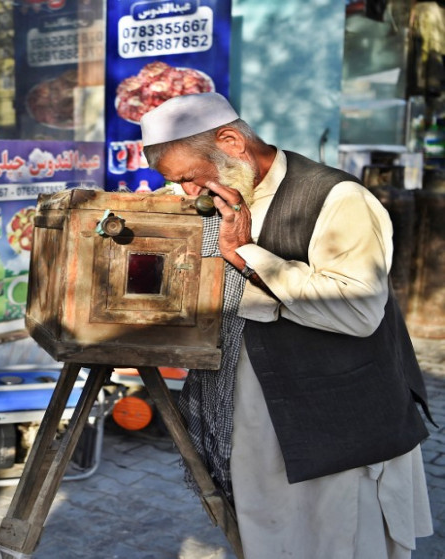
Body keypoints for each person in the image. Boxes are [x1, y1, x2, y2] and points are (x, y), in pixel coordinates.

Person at [139, 92, 434, 558]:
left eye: (190, 178)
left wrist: (249, 256)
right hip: (254, 417)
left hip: (338, 420)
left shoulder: (338, 198)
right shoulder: (212, 193)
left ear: (232, 141)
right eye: (177, 183)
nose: (187, 193)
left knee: (343, 541)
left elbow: (358, 313)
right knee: (272, 540)